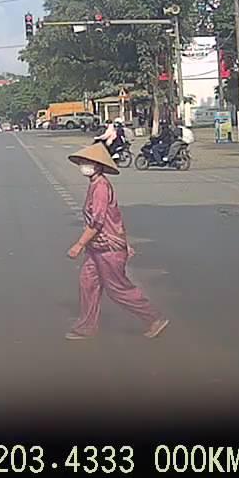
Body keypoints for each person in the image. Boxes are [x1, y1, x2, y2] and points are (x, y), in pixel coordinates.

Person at [65, 142, 169, 341]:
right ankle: (87, 326)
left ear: (97, 165)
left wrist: (79, 245)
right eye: (82, 162)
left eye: (87, 162)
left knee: (117, 288)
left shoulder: (101, 188)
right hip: (97, 247)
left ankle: (153, 318)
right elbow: (115, 218)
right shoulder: (94, 185)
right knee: (88, 283)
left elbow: (97, 222)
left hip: (108, 248)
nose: (83, 166)